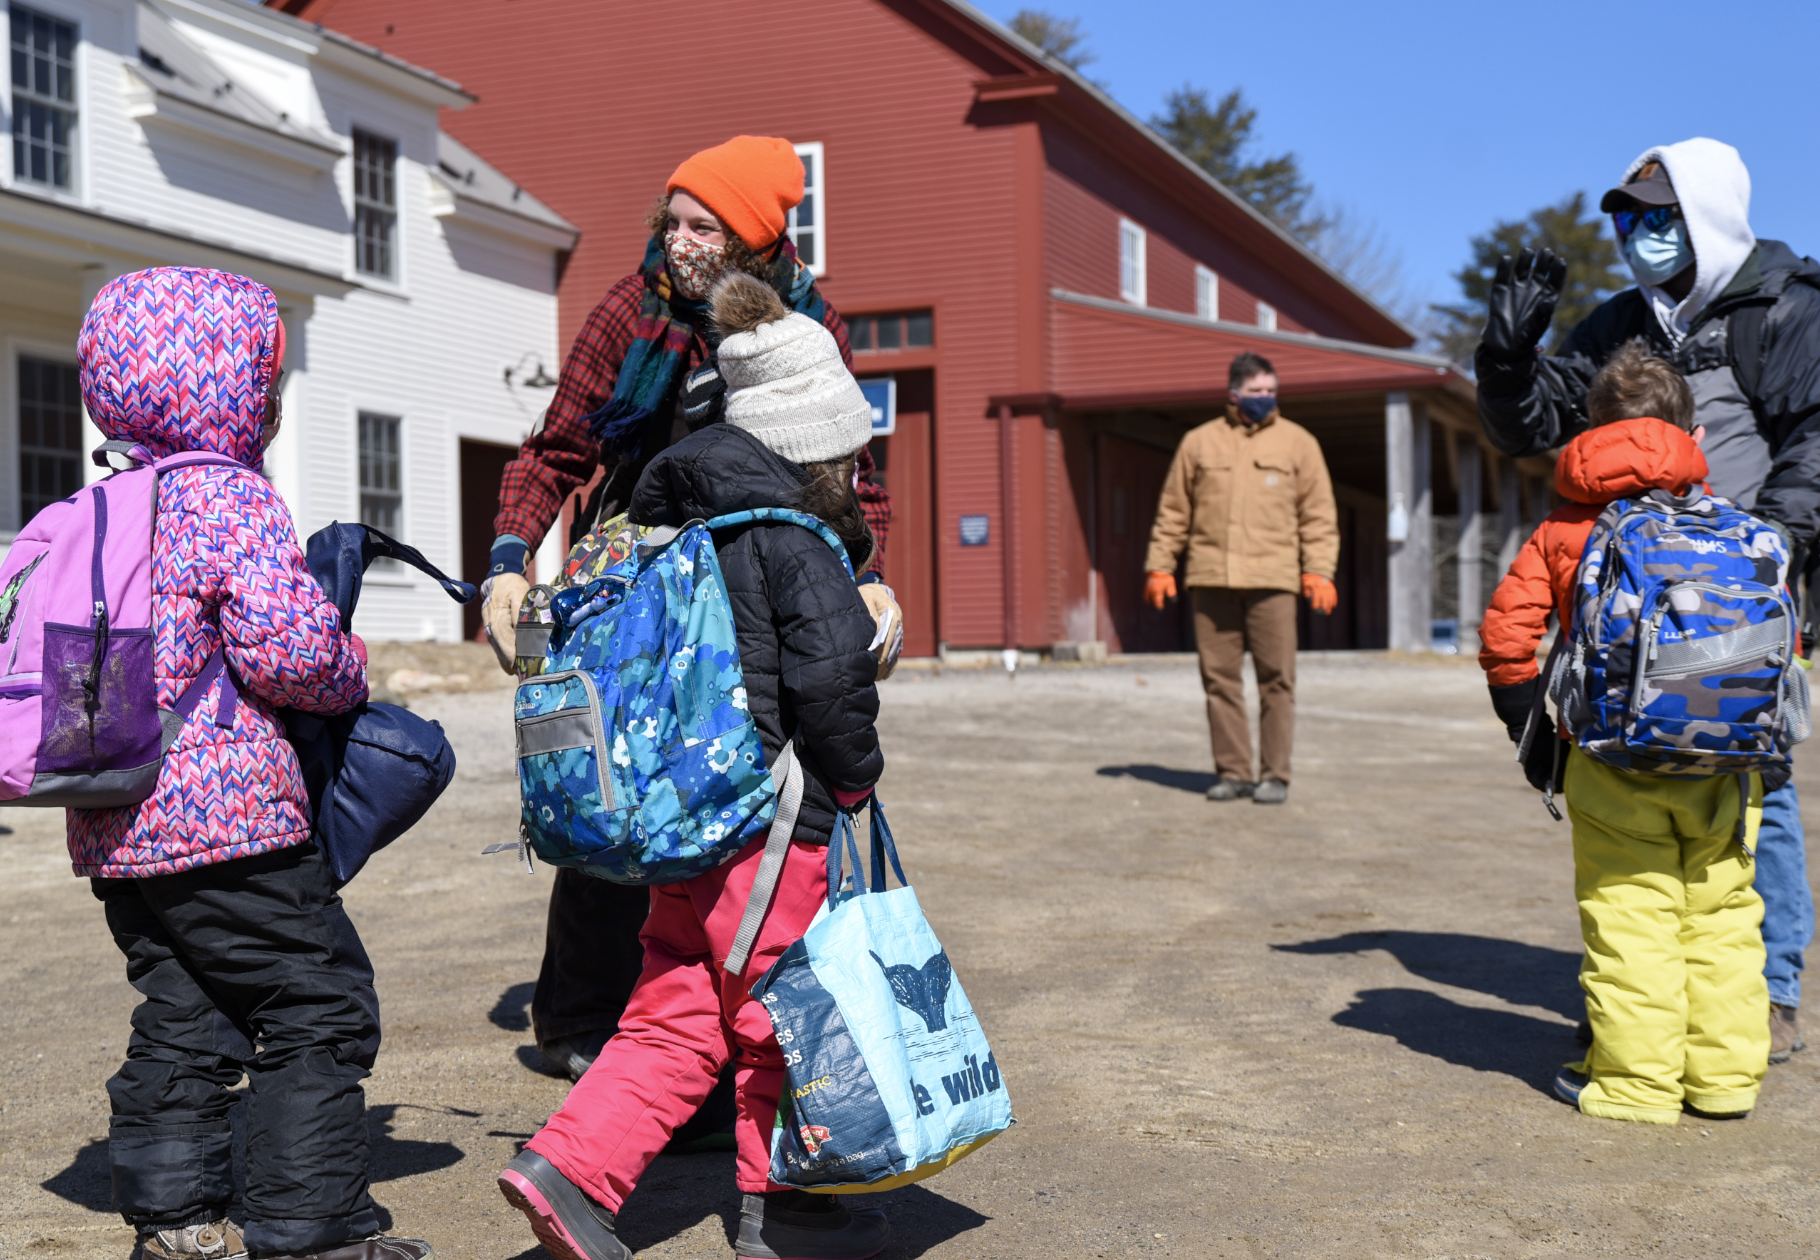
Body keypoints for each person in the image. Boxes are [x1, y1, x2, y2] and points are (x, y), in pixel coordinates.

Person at [475, 135, 895, 1083]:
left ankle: (722, 1014)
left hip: (754, 577)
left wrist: (868, 573)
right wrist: (509, 558)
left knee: (734, 795)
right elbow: (557, 450)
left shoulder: (809, 322)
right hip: (635, 563)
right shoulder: (633, 308)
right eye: (671, 218)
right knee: (604, 774)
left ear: (754, 239)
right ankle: (577, 1017)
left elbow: (851, 467)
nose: (679, 239)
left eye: (703, 225)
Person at [497, 272, 889, 1260]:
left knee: (674, 1007)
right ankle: (787, 1211)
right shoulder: (799, 543)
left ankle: (569, 1172)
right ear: (815, 444)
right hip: (771, 825)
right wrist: (852, 784)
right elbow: (835, 683)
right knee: (787, 1016)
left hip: (685, 829)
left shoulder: (676, 530)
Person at [76, 269, 426, 1260]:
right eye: (264, 378)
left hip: (117, 821)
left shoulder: (95, 511)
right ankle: (310, 1227)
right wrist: (350, 670)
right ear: (223, 385)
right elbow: (292, 655)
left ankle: (175, 1221)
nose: (272, 400)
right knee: (314, 1003)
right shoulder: (226, 498)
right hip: (229, 820)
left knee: (185, 1007)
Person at [1474, 137, 1815, 1063]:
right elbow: (1542, 426)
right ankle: (1648, 1003)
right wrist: (1507, 360)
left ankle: (1770, 989)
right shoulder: (1622, 324)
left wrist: (1768, 553)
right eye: (1626, 219)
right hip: (1626, 612)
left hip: (1746, 598)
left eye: (1658, 219)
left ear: (1704, 214)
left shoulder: (1786, 309)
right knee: (1647, 789)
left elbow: (1815, 440)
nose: (1639, 236)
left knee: (1759, 791)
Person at [1479, 342, 1769, 1123]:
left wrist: (1525, 720)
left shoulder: (1567, 527)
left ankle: (1637, 1085)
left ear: (1591, 429)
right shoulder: (1732, 525)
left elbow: (1508, 635)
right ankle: (1722, 1082)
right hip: (1724, 759)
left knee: (1631, 913)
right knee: (1722, 915)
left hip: (1609, 756)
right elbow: (1784, 644)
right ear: (1693, 435)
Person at [1141, 350, 1340, 805]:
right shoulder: (1198, 443)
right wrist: (1160, 565)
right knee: (1220, 680)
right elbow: (1173, 511)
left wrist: (1319, 571)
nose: (1264, 399)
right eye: (1255, 392)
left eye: (1271, 391)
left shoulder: (1298, 443)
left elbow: (1318, 516)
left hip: (1274, 580)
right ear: (1233, 394)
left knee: (1277, 679)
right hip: (1212, 580)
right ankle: (1232, 773)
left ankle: (1274, 776)